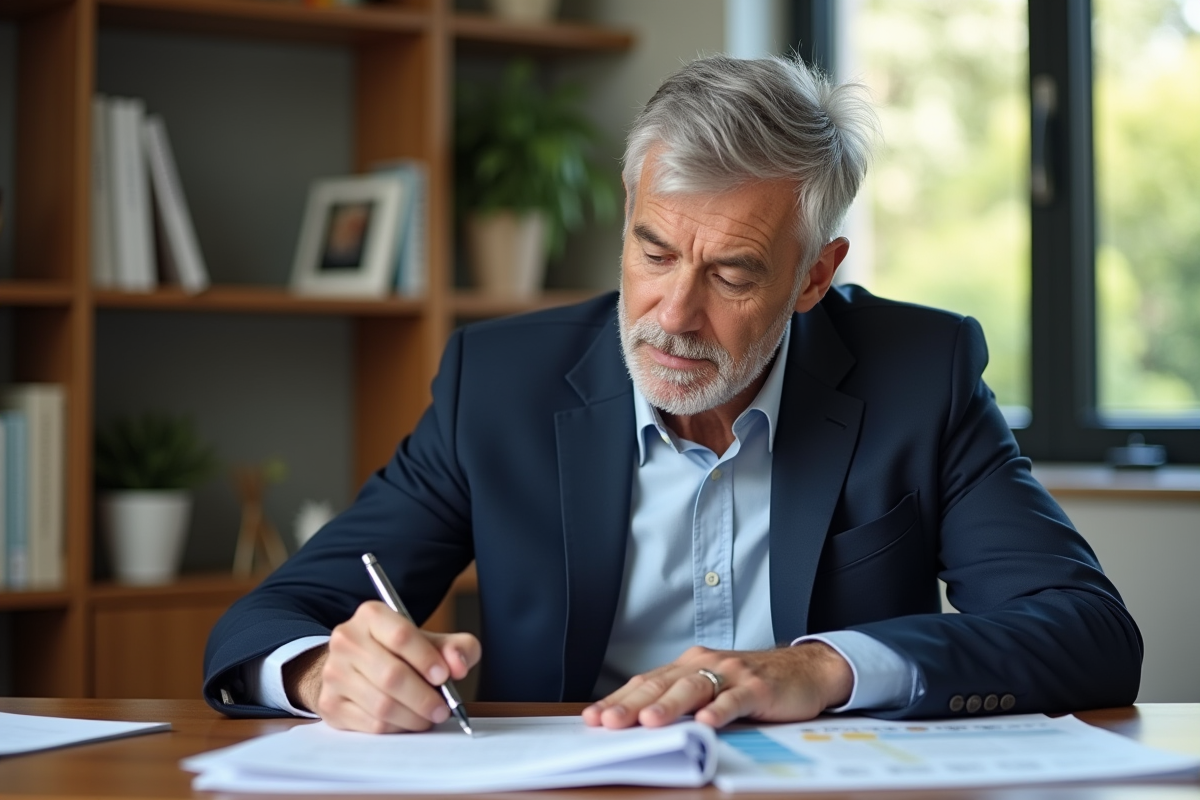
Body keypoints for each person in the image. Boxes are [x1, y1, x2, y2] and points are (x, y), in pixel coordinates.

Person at [203, 54, 1141, 733]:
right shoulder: (498, 384)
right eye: (653, 253)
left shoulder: (918, 373)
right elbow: (268, 619)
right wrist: (323, 671)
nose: (674, 314)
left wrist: (822, 668)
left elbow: (1090, 631)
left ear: (814, 277)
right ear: (628, 220)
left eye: (732, 273)